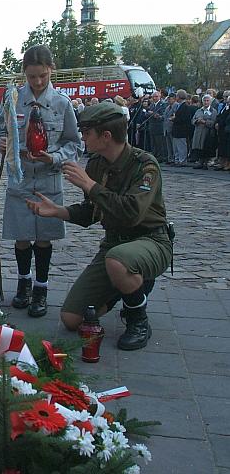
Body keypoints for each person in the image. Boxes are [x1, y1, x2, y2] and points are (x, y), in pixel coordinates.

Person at [25, 102, 172, 350]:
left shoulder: (144, 165)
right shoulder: (97, 164)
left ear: (106, 136)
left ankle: (138, 320)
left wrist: (90, 186)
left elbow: (132, 213)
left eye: (87, 132)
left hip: (151, 241)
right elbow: (92, 212)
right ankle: (126, 288)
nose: (83, 137)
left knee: (118, 260)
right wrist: (58, 211)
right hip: (115, 245)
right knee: (72, 318)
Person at [0, 44, 82, 318]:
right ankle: (23, 283)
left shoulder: (62, 104)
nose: (38, 81)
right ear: (24, 74)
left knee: (43, 238)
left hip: (47, 180)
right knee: (21, 237)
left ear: (51, 70)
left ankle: (41, 288)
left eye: (43, 75)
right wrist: (1, 143)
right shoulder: (13, 100)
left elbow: (74, 144)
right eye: (32, 76)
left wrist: (53, 157)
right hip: (19, 181)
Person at [191, 94, 217, 170]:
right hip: (198, 131)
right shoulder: (199, 110)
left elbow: (213, 122)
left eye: (207, 101)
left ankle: (206, 162)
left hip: (207, 132)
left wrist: (205, 122)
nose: (206, 102)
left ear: (210, 102)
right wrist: (196, 121)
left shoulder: (213, 111)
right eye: (204, 101)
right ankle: (200, 161)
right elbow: (192, 120)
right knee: (198, 147)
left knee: (205, 147)